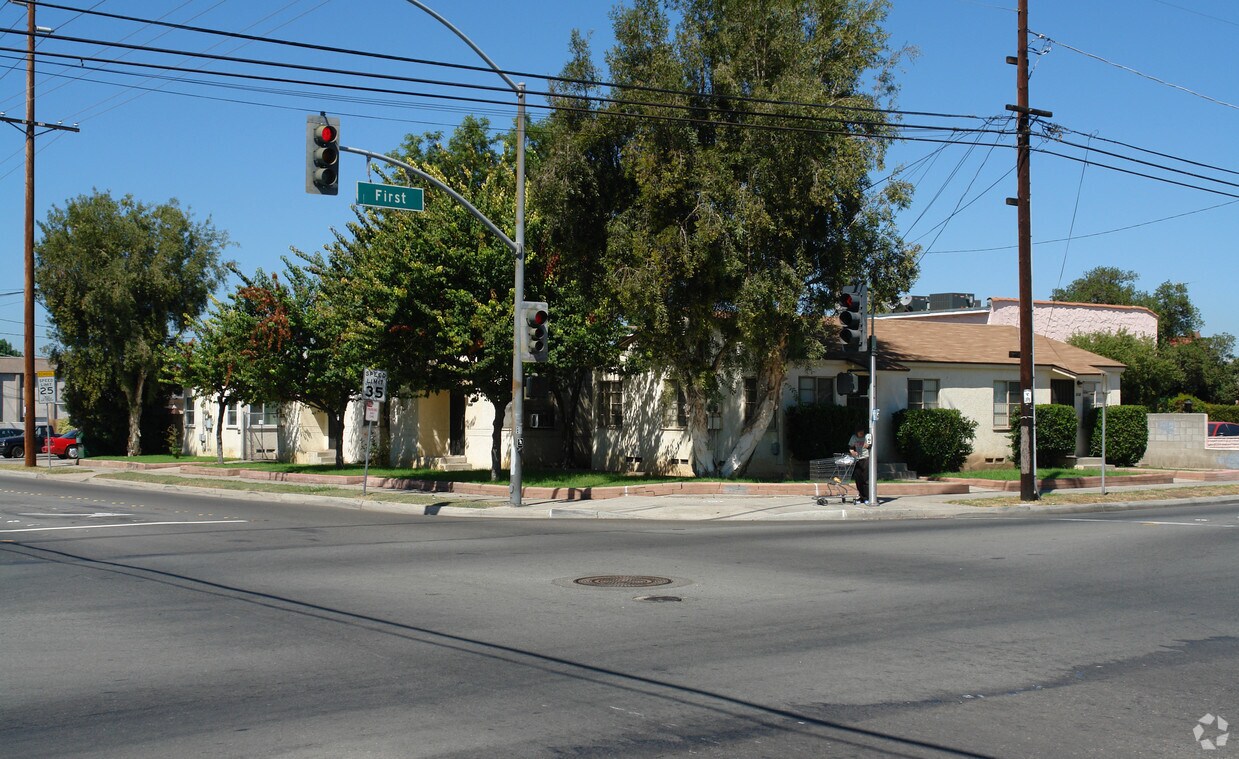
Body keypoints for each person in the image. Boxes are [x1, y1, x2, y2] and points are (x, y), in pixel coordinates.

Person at [848, 425, 871, 505]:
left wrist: (868, 445)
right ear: (856, 432)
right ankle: (861, 497)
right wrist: (852, 452)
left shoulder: (867, 436)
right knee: (858, 479)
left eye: (862, 433)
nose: (861, 434)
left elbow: (870, 445)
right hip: (858, 460)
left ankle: (867, 497)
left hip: (866, 458)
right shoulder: (854, 437)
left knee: (865, 479)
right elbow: (851, 447)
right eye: (859, 433)